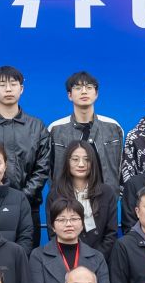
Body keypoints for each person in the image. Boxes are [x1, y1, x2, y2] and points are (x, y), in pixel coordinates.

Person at [0, 65, 49, 212]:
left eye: (13, 84)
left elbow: (42, 168)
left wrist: (22, 197)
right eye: (2, 85)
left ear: (21, 89)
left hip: (28, 206)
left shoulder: (37, 126)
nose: (8, 89)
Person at [40, 71, 125, 205]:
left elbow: (120, 165)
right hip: (67, 203)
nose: (84, 92)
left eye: (89, 87)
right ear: (69, 95)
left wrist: (114, 195)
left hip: (105, 201)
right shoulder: (55, 129)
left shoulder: (113, 127)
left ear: (96, 94)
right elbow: (49, 170)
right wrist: (58, 197)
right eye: (78, 88)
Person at [28, 198, 111, 283]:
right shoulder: (38, 256)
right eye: (61, 220)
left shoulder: (97, 257)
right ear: (52, 226)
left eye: (74, 219)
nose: (68, 224)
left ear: (82, 224)